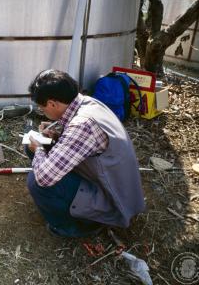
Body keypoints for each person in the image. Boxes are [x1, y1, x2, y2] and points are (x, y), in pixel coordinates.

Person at [25, 69, 145, 238]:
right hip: (109, 180)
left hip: (112, 200)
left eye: (42, 108)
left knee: (36, 181)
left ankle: (75, 227)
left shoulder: (82, 125)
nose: (42, 111)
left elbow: (44, 178)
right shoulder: (87, 103)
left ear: (53, 104)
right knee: (45, 146)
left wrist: (38, 149)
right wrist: (57, 135)